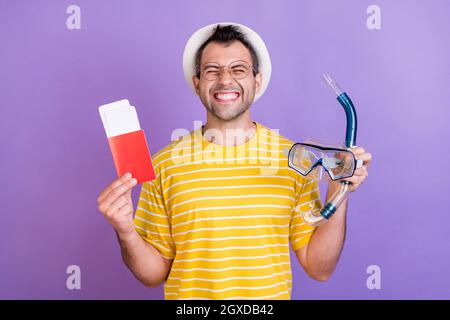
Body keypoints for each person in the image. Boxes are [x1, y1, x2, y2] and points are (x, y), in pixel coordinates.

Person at [97, 23, 372, 300]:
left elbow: (318, 267)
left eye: (238, 69)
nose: (225, 80)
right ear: (197, 83)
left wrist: (339, 190)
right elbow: (153, 275)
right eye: (212, 70)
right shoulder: (165, 164)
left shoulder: (295, 160)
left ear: (257, 80)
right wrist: (126, 231)